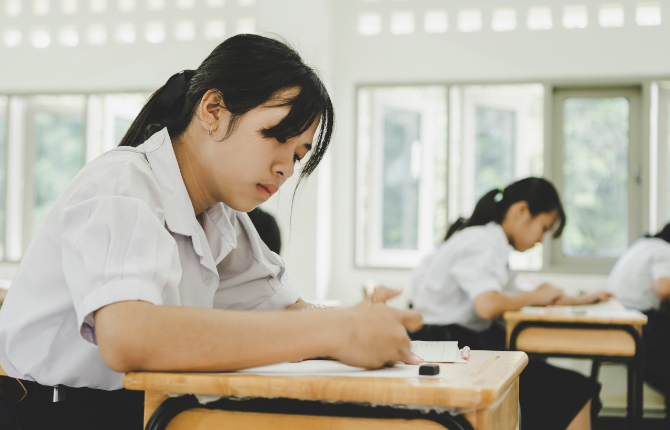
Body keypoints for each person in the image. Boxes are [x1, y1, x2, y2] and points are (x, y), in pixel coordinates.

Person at [0, 34, 423, 430]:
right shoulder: (124, 184)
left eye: (298, 155)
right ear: (213, 111)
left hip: (143, 410)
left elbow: (283, 311)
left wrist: (359, 321)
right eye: (275, 137)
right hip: (52, 413)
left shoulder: (221, 217)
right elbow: (128, 338)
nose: (285, 169)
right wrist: (336, 331)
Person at [410, 177, 610, 430]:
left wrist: (579, 299)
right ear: (521, 211)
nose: (541, 240)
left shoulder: (492, 243)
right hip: (447, 348)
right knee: (578, 391)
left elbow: (516, 295)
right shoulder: (480, 241)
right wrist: (536, 296)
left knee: (568, 386)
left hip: (460, 344)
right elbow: (488, 304)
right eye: (544, 228)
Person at [608, 223, 670, 427]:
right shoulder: (663, 250)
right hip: (636, 323)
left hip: (619, 317)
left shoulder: (643, 244)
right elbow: (663, 288)